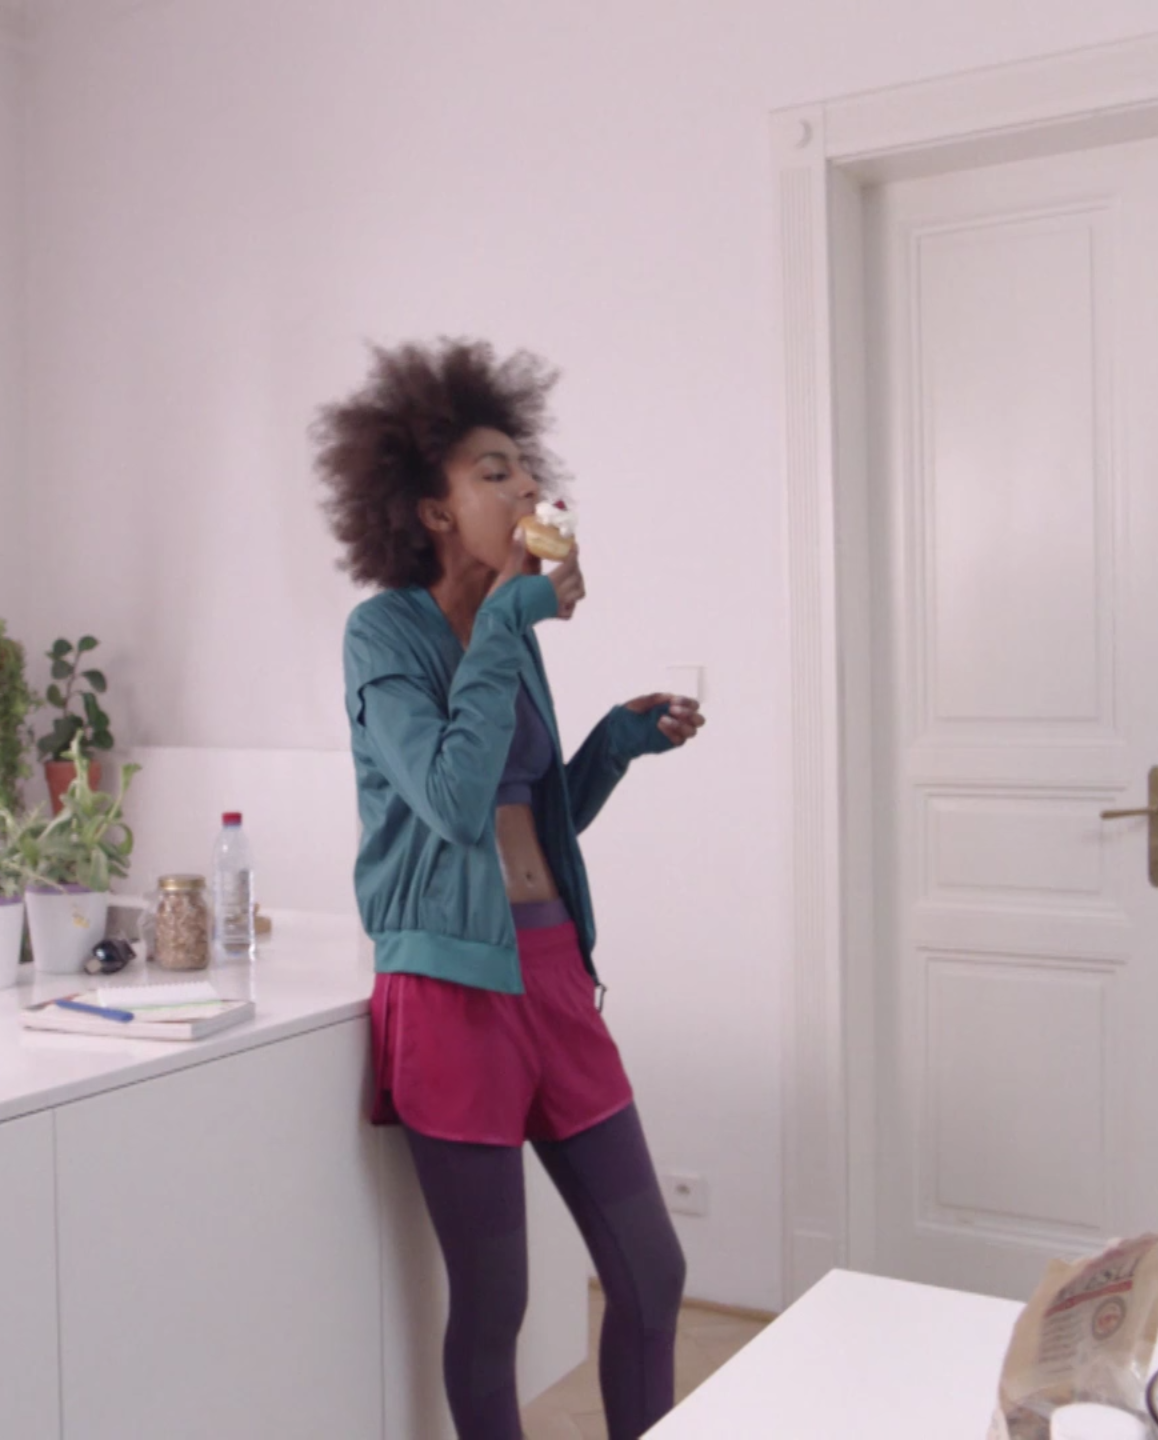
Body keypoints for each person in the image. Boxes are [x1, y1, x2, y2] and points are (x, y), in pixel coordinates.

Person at [315, 338, 706, 1440]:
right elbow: (450, 802)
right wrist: (504, 618)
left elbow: (533, 821)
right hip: (451, 996)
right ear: (432, 509)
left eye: (527, 469)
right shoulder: (383, 634)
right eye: (496, 472)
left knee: (652, 1272)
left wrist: (616, 744)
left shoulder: (512, 633)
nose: (529, 487)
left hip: (554, 975)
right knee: (495, 1307)